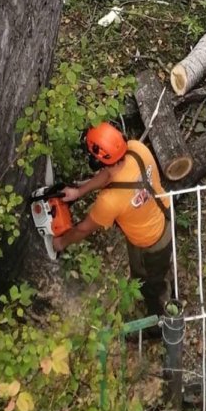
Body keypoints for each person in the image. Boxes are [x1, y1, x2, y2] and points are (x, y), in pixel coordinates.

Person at [52, 121, 172, 318]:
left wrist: (60, 242)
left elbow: (83, 229)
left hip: (148, 243)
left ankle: (158, 322)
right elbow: (110, 174)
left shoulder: (109, 201)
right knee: (158, 270)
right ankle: (163, 279)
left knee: (149, 285)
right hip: (164, 215)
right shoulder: (136, 149)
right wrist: (79, 192)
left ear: (97, 161)